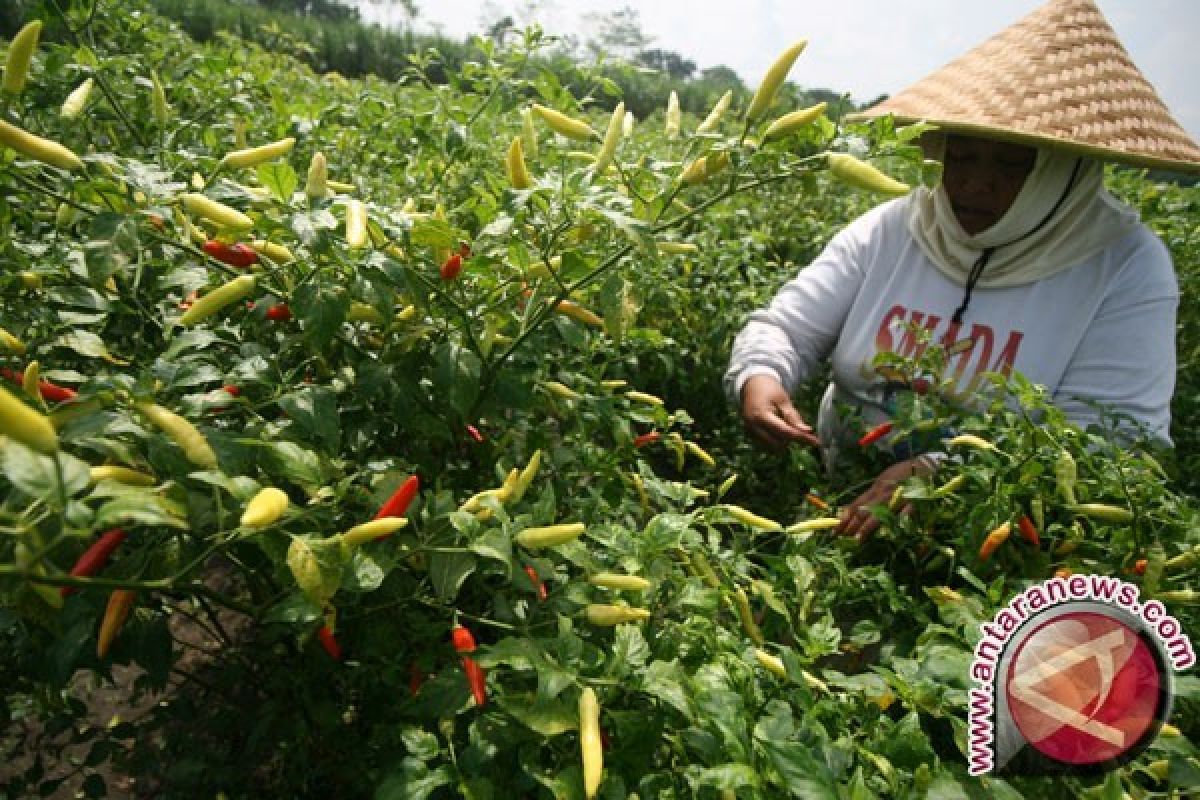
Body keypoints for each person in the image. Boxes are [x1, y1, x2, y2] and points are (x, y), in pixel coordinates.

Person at [724, 0, 1200, 540]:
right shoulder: (899, 226)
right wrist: (761, 374)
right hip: (838, 503)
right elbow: (785, 326)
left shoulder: (1122, 266)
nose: (975, 184)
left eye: (1011, 164)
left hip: (1000, 538)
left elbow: (1110, 442)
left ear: (1062, 170)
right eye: (962, 157)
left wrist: (943, 476)